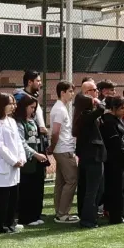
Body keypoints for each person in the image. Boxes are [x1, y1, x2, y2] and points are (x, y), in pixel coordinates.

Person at [0, 93, 26, 234]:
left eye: (13, 103)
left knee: (13, 196)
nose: (13, 106)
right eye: (10, 103)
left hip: (15, 166)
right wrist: (13, 160)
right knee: (3, 198)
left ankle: (10, 222)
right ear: (1, 105)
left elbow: (18, 142)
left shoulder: (11, 121)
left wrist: (21, 157)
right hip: (3, 166)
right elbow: (0, 146)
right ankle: (0, 225)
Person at [13, 93, 49, 227]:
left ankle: (35, 214)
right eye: (31, 107)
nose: (33, 110)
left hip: (37, 161)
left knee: (37, 189)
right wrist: (35, 154)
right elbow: (22, 142)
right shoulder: (19, 123)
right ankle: (26, 217)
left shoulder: (33, 121)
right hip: (28, 161)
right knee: (26, 190)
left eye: (34, 108)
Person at [73, 94, 107, 228]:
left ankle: (87, 215)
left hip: (88, 157)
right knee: (93, 190)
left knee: (93, 189)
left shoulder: (82, 116)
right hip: (93, 157)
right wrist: (98, 102)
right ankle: (88, 219)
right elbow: (101, 109)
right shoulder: (86, 115)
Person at [49, 81, 79, 223]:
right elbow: (55, 131)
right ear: (62, 92)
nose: (72, 94)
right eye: (70, 91)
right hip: (64, 149)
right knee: (72, 180)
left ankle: (59, 212)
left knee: (61, 181)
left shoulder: (60, 108)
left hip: (61, 149)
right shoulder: (60, 109)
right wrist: (52, 147)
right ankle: (63, 213)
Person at [99, 97, 124, 225]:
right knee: (116, 189)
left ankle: (122, 212)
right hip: (114, 161)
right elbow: (115, 143)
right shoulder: (108, 122)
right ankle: (116, 216)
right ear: (113, 108)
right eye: (121, 108)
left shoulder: (120, 120)